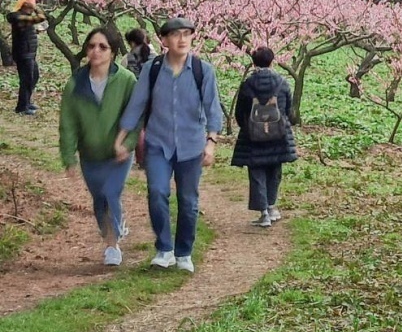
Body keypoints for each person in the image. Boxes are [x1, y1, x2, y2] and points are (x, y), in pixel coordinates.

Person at [114, 17, 222, 273]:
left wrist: (211, 142)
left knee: (188, 200)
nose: (182, 39)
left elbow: (212, 108)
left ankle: (184, 252)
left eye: (186, 34)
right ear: (164, 41)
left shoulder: (202, 70)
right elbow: (137, 105)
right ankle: (164, 249)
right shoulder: (153, 69)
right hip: (158, 144)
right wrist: (121, 138)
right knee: (157, 193)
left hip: (191, 145)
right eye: (175, 35)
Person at [59, 27, 138, 266]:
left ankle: (112, 246)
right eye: (91, 46)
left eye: (102, 47)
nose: (96, 51)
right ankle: (110, 231)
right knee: (99, 199)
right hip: (89, 155)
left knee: (110, 192)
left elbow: (136, 115)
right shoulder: (76, 83)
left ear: (113, 52)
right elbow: (68, 122)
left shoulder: (126, 80)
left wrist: (127, 143)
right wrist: (69, 157)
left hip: (118, 155)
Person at [231, 46, 297, 227]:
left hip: (253, 136)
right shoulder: (282, 82)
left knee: (257, 172)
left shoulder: (247, 84)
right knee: (274, 171)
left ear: (254, 62)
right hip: (278, 135)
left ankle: (263, 214)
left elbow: (239, 112)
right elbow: (288, 109)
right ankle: (272, 207)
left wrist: (248, 127)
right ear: (272, 61)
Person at [7, 0, 46, 115]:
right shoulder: (18, 17)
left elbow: (27, 31)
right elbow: (40, 18)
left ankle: (27, 102)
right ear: (25, 6)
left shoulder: (24, 17)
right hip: (23, 53)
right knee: (26, 79)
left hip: (29, 52)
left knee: (34, 76)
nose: (32, 9)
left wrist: (35, 31)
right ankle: (22, 107)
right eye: (31, 7)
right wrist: (37, 9)